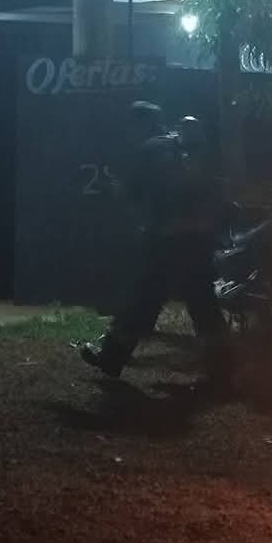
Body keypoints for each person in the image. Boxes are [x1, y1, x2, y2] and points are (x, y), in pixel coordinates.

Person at [79, 102, 234, 388]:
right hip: (199, 237)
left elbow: (131, 193)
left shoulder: (150, 150)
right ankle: (224, 367)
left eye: (131, 126)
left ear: (142, 124)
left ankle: (111, 356)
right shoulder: (183, 148)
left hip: (167, 239)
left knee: (142, 300)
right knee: (202, 303)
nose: (128, 132)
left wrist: (111, 187)